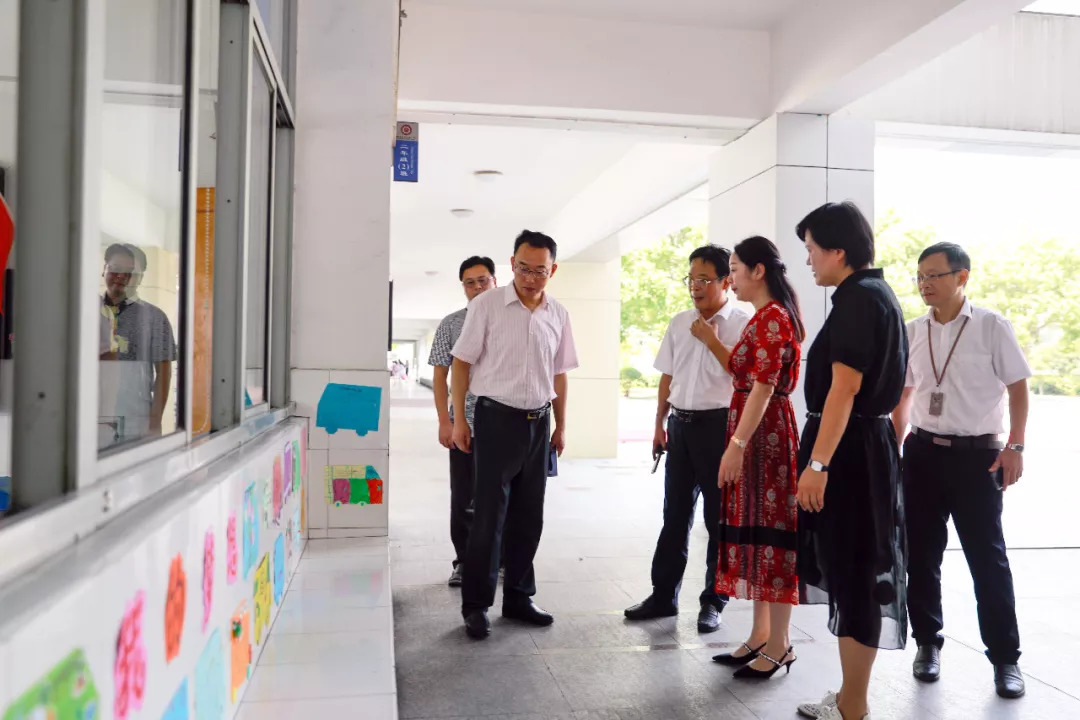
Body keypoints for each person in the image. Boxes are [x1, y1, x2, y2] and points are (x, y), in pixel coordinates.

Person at [890, 242, 1028, 699]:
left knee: (987, 560)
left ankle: (1005, 659)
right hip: (923, 454)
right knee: (920, 557)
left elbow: (1017, 388)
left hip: (977, 458)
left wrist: (1015, 446)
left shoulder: (991, 326)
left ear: (961, 277)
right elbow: (904, 396)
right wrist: (895, 447)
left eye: (934, 275)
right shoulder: (912, 330)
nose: (925, 283)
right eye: (920, 276)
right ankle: (927, 644)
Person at [793, 202, 908, 720]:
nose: (810, 261)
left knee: (855, 573)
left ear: (839, 251)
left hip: (848, 453)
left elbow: (845, 388)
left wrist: (818, 465)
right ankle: (848, 699)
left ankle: (852, 707)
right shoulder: (872, 294)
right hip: (862, 445)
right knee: (855, 571)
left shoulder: (860, 299)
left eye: (813, 250)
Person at [450, 230, 578, 639]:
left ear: (552, 270)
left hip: (538, 422)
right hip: (495, 419)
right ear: (512, 264)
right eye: (523, 268)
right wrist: (459, 422)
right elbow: (461, 364)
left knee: (529, 516)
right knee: (488, 516)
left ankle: (519, 597)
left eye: (539, 270)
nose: (530, 277)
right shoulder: (487, 306)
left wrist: (561, 423)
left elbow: (559, 372)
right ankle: (476, 605)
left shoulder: (558, 313)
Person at [623, 245, 750, 633]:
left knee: (717, 520)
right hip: (680, 426)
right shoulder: (679, 322)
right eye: (691, 279)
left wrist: (712, 341)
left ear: (726, 280)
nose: (695, 287)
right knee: (674, 515)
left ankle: (714, 601)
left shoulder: (744, 323)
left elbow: (745, 378)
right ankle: (664, 596)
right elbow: (666, 376)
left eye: (704, 279)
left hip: (720, 429)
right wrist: (659, 424)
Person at [709, 236, 805, 679]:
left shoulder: (772, 319)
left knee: (774, 537)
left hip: (764, 438)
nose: (731, 277)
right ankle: (759, 635)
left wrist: (737, 444)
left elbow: (764, 387)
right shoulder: (763, 317)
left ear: (758, 271)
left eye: (735, 267)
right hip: (756, 430)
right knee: (759, 536)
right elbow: (747, 376)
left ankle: (781, 643)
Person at [428, 256, 497, 587]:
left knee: (504, 495)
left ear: (495, 281)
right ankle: (465, 561)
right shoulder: (452, 323)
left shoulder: (510, 319)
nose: (478, 287)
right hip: (464, 425)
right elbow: (440, 375)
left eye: (483, 280)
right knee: (464, 496)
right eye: (470, 282)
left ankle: (501, 561)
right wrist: (446, 420)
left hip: (504, 424)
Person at [99, 243, 177, 448]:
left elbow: (163, 373)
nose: (120, 276)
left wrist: (154, 423)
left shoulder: (154, 317)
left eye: (130, 272)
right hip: (92, 419)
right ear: (104, 269)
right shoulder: (87, 311)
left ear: (140, 278)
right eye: (115, 268)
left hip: (135, 422)